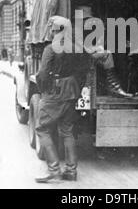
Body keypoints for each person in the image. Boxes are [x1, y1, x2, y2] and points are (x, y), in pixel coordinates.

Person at [35, 16, 90, 183]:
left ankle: (54, 170)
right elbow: (83, 71)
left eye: (52, 29)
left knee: (42, 129)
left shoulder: (50, 49)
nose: (51, 32)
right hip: (71, 92)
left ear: (54, 30)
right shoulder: (77, 49)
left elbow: (43, 74)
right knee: (67, 131)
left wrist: (44, 90)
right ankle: (71, 171)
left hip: (54, 93)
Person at [75, 5, 132, 98]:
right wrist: (94, 49)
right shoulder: (76, 29)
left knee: (105, 54)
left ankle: (113, 86)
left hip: (83, 57)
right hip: (79, 59)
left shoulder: (78, 28)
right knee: (107, 54)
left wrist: (96, 48)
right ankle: (114, 86)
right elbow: (79, 48)